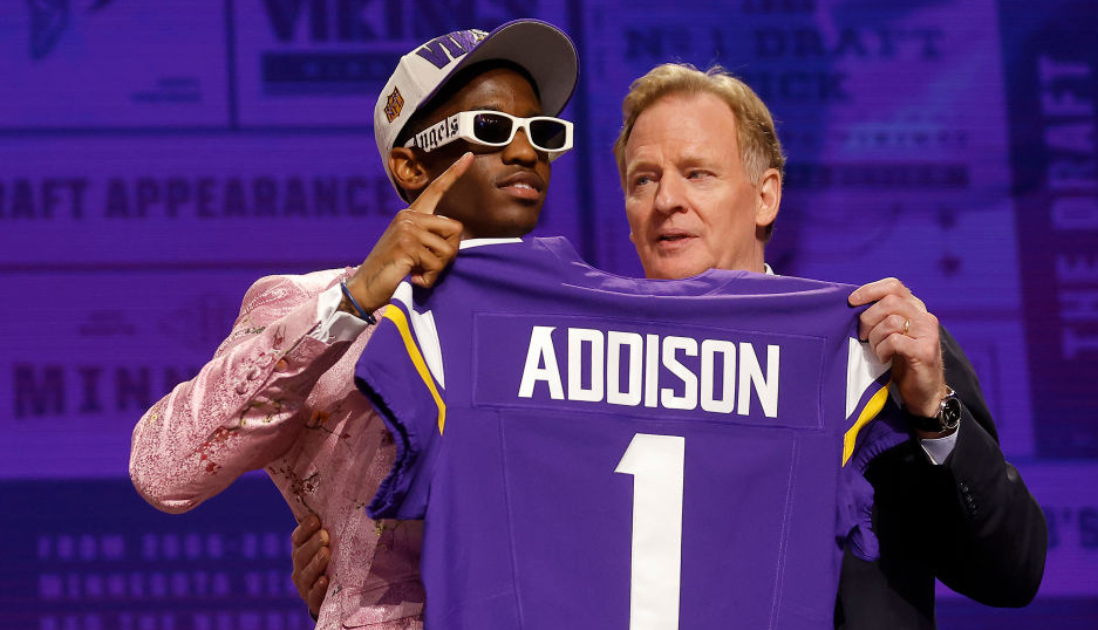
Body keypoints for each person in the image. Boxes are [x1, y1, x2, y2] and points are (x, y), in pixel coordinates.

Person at [292, 62, 1047, 628]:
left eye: (698, 174)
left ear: (767, 195)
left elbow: (1012, 571)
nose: (667, 201)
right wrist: (362, 563)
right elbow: (500, 551)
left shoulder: (876, 347)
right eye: (643, 179)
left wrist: (933, 413)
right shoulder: (554, 352)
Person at [128, 20, 579, 627]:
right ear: (412, 166)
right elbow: (164, 471)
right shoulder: (314, 305)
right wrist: (355, 299)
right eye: (491, 129)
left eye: (542, 132)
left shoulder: (578, 321)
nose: (527, 152)